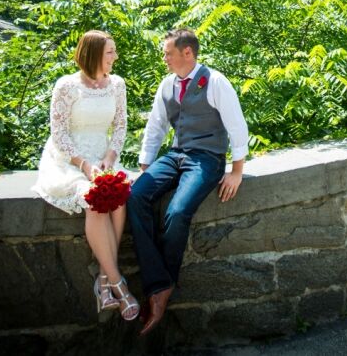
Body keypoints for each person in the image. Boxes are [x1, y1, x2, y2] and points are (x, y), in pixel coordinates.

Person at [128, 28, 249, 336]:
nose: (164, 59)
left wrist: (236, 171)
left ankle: (160, 289)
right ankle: (161, 282)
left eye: (168, 53)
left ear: (187, 53)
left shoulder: (216, 82)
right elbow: (155, 127)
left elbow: (237, 126)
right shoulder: (167, 85)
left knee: (177, 212)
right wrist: (146, 167)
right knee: (136, 196)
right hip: (177, 154)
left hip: (207, 158)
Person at [31, 30, 140, 320]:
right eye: (110, 52)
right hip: (69, 159)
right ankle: (118, 284)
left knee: (119, 200)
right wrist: (83, 165)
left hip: (103, 158)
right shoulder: (66, 86)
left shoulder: (117, 84)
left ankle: (104, 280)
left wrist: (109, 158)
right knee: (94, 200)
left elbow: (120, 127)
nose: (115, 57)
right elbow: (59, 133)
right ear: (93, 54)